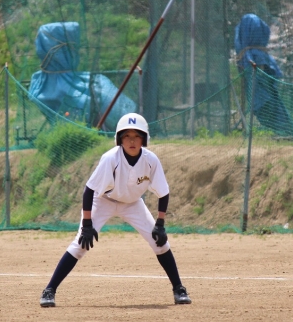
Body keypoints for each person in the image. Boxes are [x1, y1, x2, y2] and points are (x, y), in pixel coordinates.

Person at [39, 113, 192, 307]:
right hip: (103, 200)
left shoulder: (151, 160)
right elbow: (89, 190)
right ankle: (49, 290)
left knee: (159, 242)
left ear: (144, 139)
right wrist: (87, 224)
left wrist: (160, 223)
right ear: (119, 139)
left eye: (137, 136)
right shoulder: (110, 158)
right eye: (127, 136)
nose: (132, 141)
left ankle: (178, 288)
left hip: (133, 203)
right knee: (80, 245)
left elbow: (163, 192)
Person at [234, 13, 293, 136]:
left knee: (270, 107)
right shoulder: (251, 53)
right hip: (262, 93)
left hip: (265, 95)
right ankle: (282, 129)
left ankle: (283, 130)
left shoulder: (255, 54)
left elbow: (262, 71)